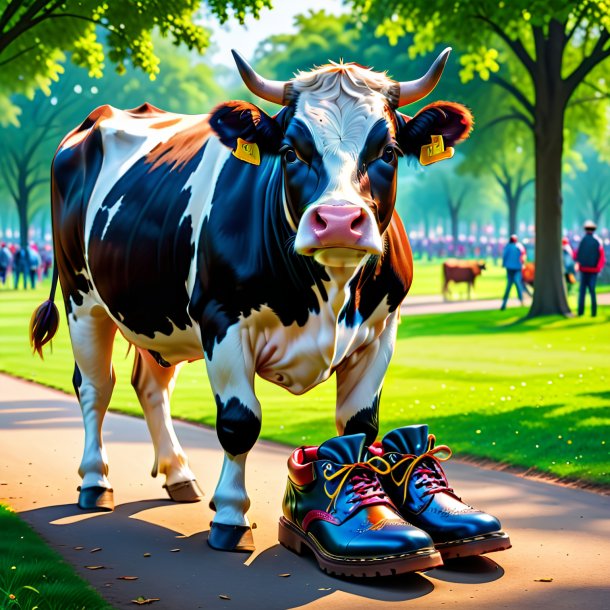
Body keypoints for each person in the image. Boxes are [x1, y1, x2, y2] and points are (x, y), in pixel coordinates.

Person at [575, 220, 606, 317]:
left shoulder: (582, 241)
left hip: (583, 270)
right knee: (592, 291)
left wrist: (579, 265)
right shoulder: (598, 241)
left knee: (582, 291)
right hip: (593, 271)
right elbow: (602, 257)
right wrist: (599, 268)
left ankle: (580, 312)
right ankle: (594, 312)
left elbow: (577, 255)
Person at [501, 234, 526, 309]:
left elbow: (504, 256)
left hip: (509, 268)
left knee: (509, 285)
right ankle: (521, 300)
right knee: (518, 283)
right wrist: (522, 264)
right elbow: (524, 256)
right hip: (517, 267)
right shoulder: (520, 246)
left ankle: (504, 303)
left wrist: (503, 264)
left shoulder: (508, 246)